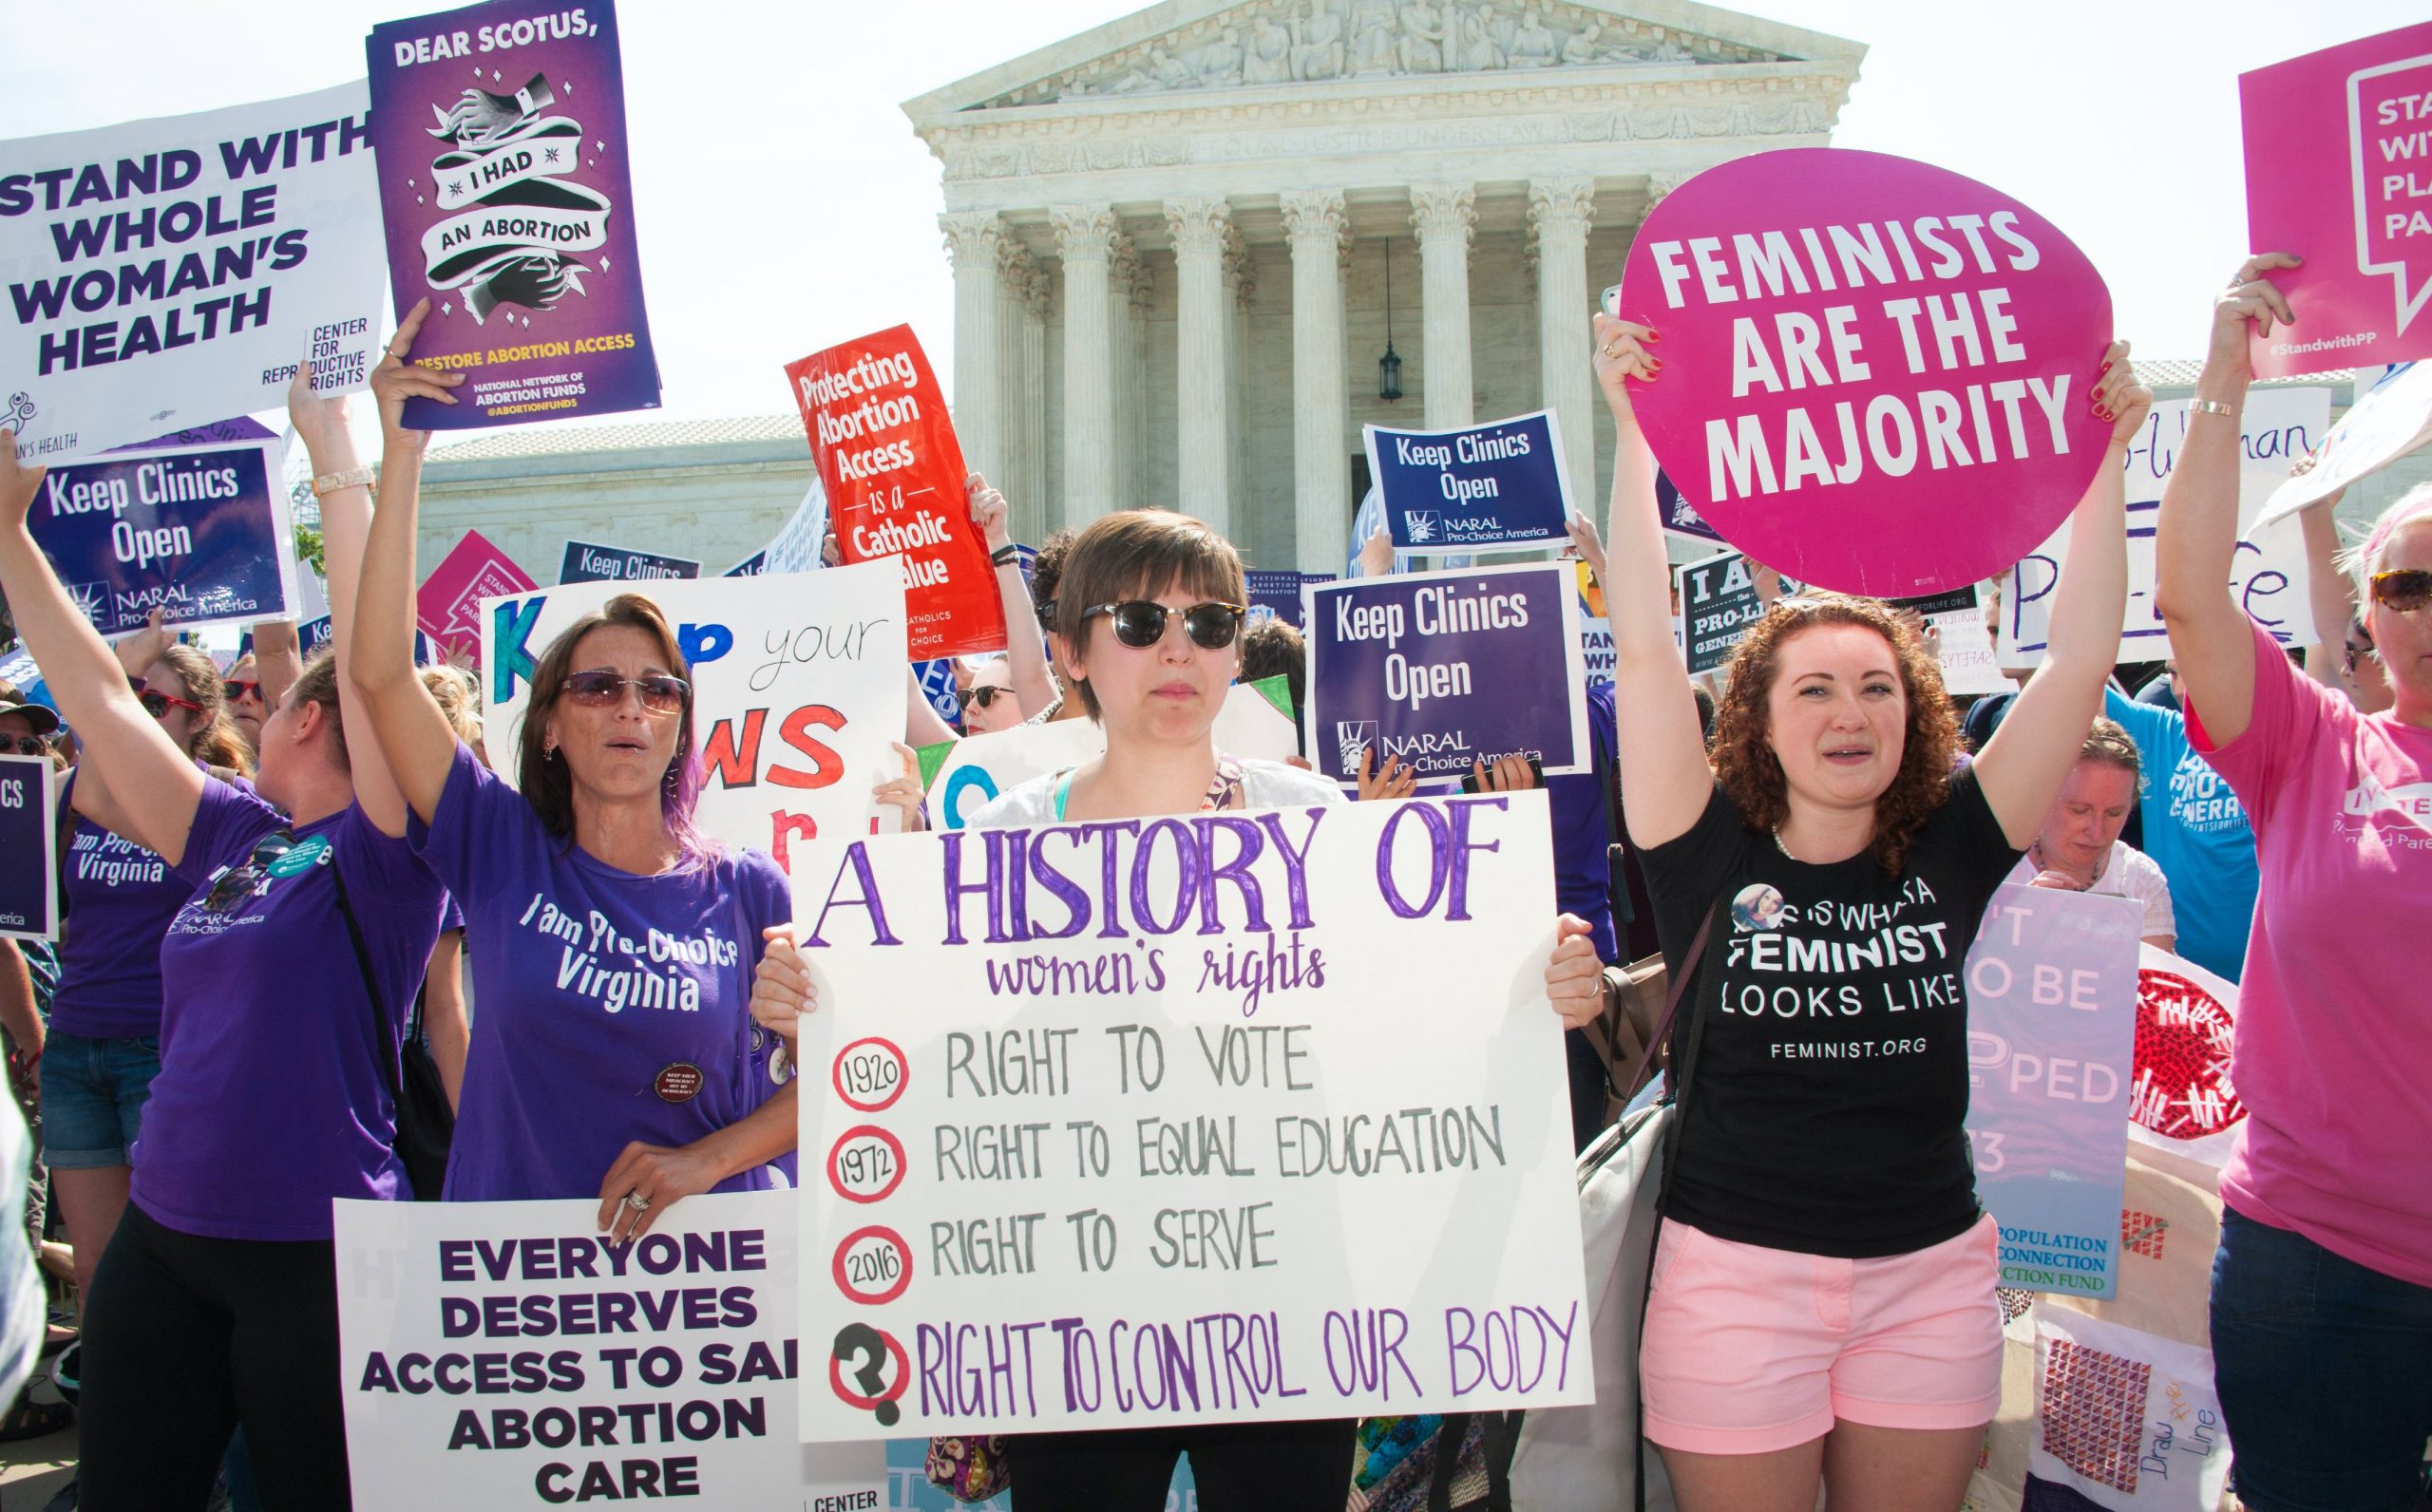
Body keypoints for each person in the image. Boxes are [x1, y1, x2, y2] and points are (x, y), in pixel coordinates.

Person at [1570, 309, 2139, 1512]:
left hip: (1930, 1281)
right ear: (1760, 721)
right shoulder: (1698, 846)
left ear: (1913, 716)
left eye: (1876, 685)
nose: (1848, 709)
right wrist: (1631, 434)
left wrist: (2101, 464)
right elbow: (1644, 641)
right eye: (1814, 685)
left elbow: (2082, 657)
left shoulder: (1957, 846)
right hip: (1733, 1285)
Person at [753, 508, 1359, 1510]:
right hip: (1073, 1317)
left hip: (1283, 1300)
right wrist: (811, 1007)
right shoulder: (1000, 842)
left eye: (1210, 624)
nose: (1178, 648)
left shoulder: (1317, 823)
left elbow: (1403, 1032)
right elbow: (924, 1055)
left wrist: (1540, 986)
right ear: (1072, 648)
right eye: (1138, 621)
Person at [2, 386, 446, 1510]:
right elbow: (101, 700)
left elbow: (371, 665)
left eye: (276, 690)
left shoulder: (385, 851)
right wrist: (6, 532)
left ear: (305, 718)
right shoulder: (238, 835)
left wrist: (332, 447)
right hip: (167, 1235)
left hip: (316, 1254)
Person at [349, 299, 795, 1230]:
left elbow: (843, 1079)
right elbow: (384, 675)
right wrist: (401, 453)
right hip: (527, 1297)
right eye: (596, 686)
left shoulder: (749, 886)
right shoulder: (498, 844)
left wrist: (700, 1160)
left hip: (715, 1290)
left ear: (681, 725)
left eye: (658, 689)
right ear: (548, 725)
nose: (631, 706)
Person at [2154, 254, 2432, 1512]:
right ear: (2369, 616)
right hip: (2314, 1267)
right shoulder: (2310, 745)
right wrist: (2224, 374)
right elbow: (2190, 594)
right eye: (2407, 584)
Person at [2098, 678, 2254, 982]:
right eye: (2172, 673)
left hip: (2272, 984)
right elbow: (2074, 679)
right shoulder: (2161, 732)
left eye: (2191, 671)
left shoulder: (2286, 742)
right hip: (2180, 990)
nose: (2180, 690)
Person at [2007, 718, 2176, 951]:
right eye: (2079, 811)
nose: (2096, 832)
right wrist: (2015, 920)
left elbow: (2157, 982)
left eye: (2114, 813)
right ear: (2042, 795)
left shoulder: (2139, 878)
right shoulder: (1999, 871)